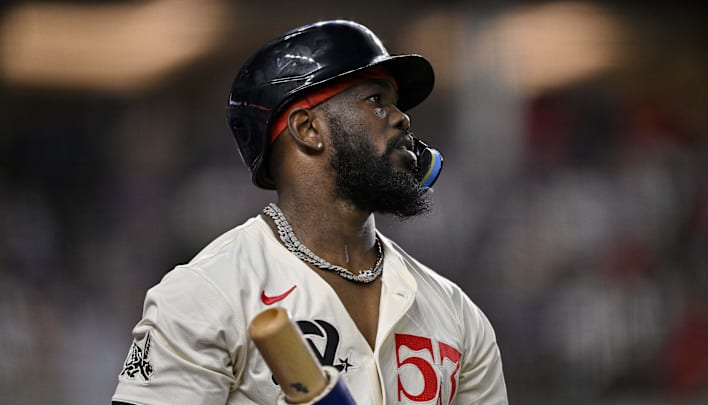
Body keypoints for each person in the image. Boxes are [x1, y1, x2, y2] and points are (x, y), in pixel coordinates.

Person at [112, 20, 507, 404]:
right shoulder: (206, 294)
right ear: (307, 128)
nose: (402, 117)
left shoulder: (457, 314)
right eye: (376, 101)